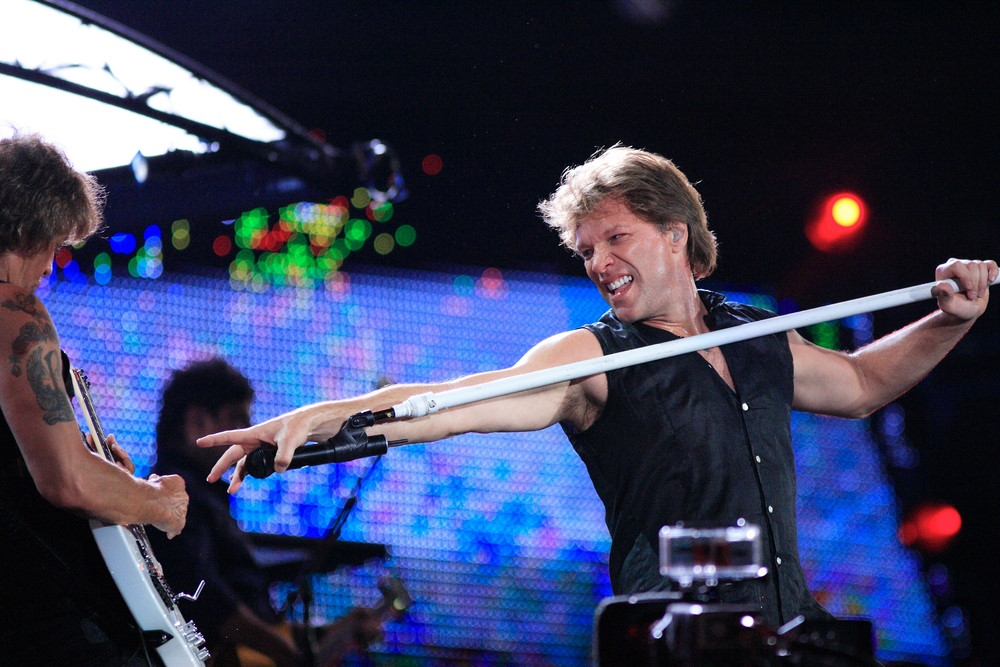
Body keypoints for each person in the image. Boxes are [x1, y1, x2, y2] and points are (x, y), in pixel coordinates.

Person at [199, 145, 996, 630]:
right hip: (672, 643)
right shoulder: (589, 357)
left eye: (616, 237)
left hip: (790, 636)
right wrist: (314, 420)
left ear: (676, 235)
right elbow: (448, 403)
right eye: (586, 249)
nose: (599, 261)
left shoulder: (753, 334)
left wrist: (950, 319)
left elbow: (860, 384)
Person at [0, 132, 189, 665]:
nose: (49, 265)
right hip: (43, 626)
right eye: (53, 243)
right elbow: (68, 480)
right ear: (27, 225)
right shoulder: (14, 311)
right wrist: (158, 501)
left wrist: (107, 476)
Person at [148, 357, 383, 667]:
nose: (251, 435)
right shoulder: (176, 495)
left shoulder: (206, 497)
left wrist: (339, 630)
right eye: (237, 419)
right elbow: (204, 598)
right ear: (197, 421)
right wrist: (280, 649)